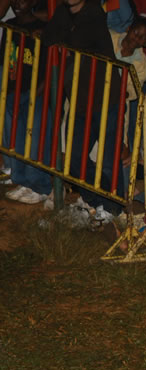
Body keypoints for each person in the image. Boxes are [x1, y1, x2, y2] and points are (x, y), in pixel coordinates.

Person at [43, 0, 124, 214]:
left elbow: (79, 39)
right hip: (80, 99)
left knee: (108, 160)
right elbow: (47, 36)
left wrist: (65, 43)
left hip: (106, 97)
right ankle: (96, 201)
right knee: (74, 157)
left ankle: (114, 210)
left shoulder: (94, 12)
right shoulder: (63, 12)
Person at [1, 0, 51, 205]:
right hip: (14, 88)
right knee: (17, 136)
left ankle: (39, 185)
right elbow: (6, 59)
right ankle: (22, 180)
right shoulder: (10, 24)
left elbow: (49, 67)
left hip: (36, 92)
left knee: (35, 137)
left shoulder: (44, 29)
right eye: (14, 0)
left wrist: (36, 93)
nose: (18, 3)